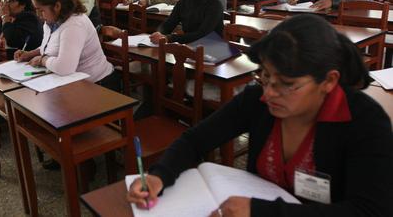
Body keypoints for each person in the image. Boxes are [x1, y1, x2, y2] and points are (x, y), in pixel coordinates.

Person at [127, 14, 393, 217]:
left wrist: (261, 212)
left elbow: (370, 211)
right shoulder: (257, 100)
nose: (269, 93)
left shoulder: (364, 121)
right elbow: (195, 140)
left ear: (329, 81)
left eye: (286, 84)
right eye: (265, 76)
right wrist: (160, 175)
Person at [14, 0, 115, 86]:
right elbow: (49, 47)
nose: (38, 15)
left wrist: (42, 60)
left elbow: (65, 67)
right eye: (36, 10)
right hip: (71, 82)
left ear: (57, 6)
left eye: (41, 10)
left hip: (97, 85)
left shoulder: (74, 24)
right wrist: (29, 54)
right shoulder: (51, 21)